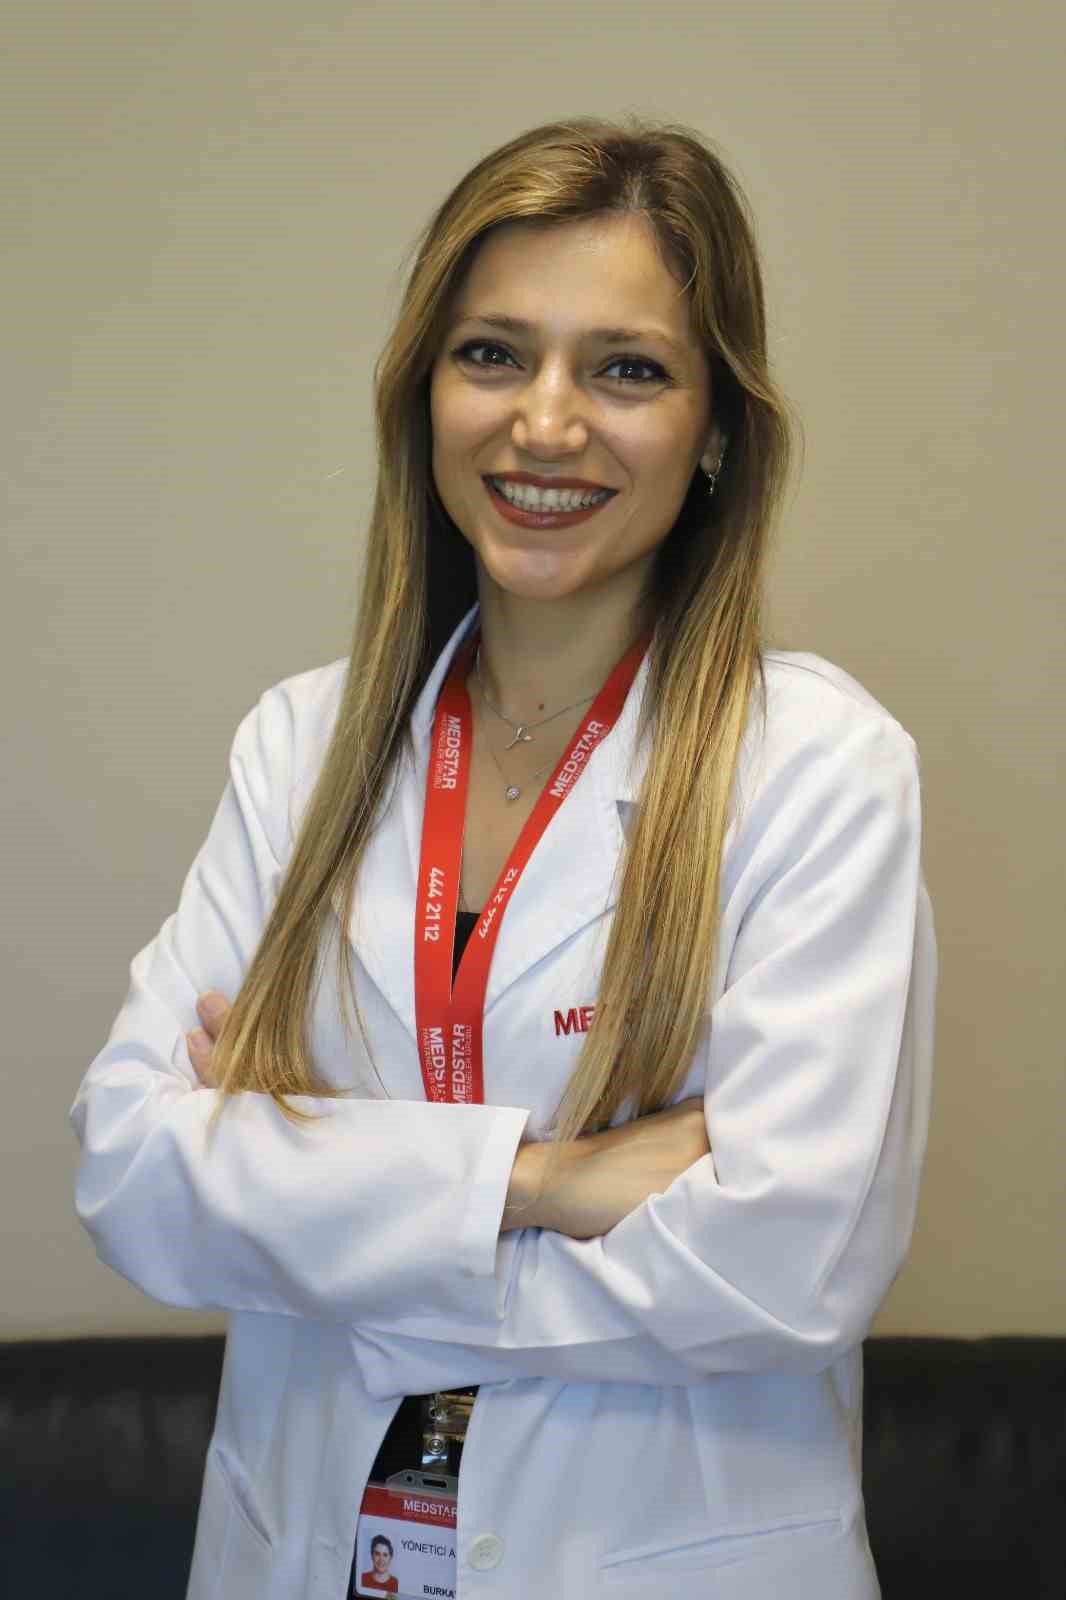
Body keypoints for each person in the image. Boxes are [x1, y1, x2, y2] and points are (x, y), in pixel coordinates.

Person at [70, 114, 937, 1599]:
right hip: (305, 1547)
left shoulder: (817, 767)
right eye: (492, 354)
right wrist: (542, 1182)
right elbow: (134, 1171)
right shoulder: (302, 745)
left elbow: (784, 1269)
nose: (545, 423)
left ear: (716, 427)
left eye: (626, 369)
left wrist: (316, 1211)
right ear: (423, 395)